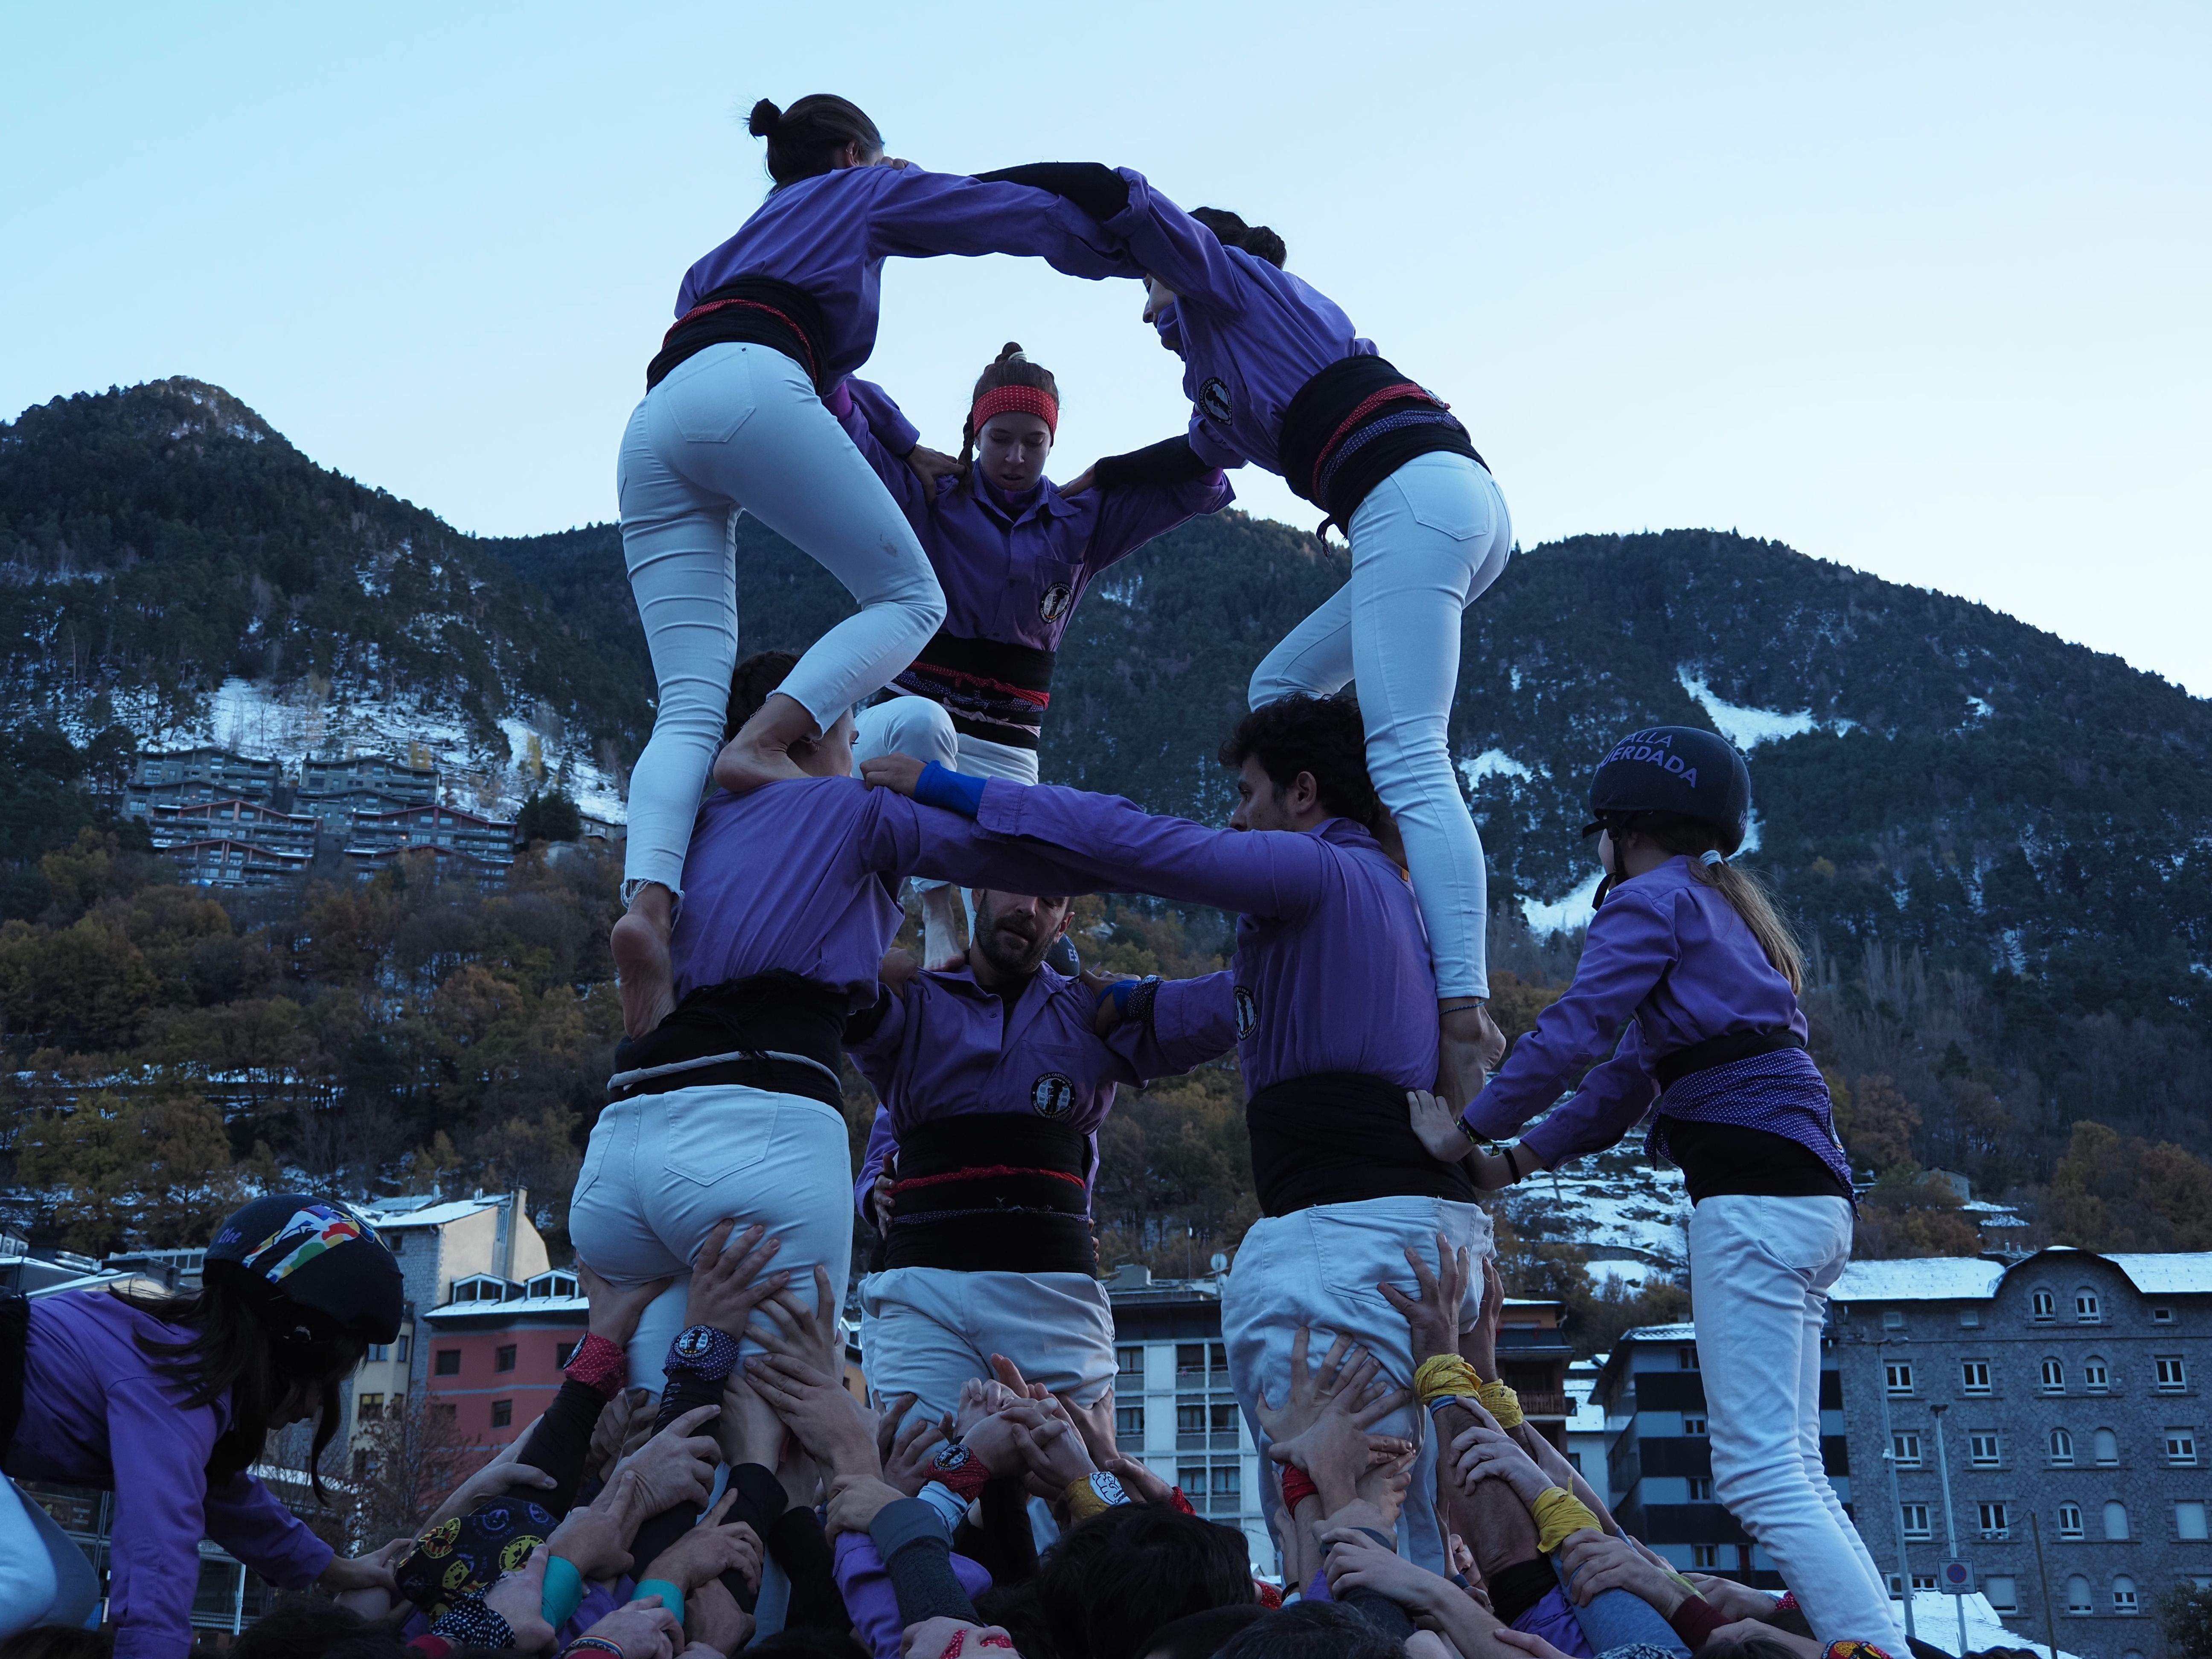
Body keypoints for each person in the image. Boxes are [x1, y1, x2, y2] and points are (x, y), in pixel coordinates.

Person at [860, 692, 1487, 1570]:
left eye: (1247, 793)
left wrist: (951, 795)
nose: (1236, 816)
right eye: (1014, 885)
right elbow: (849, 1015)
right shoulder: (923, 1004)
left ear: (1303, 795)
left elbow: (1136, 850)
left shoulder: (1299, 889)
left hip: (1316, 1237)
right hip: (1370, 1225)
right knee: (1364, 1513)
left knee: (1329, 1516)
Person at [971, 161, 1515, 1108]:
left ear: (1182, 263)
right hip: (1433, 501)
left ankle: (1464, 1014)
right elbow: (1183, 458)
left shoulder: (1231, 287)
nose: (1148, 312)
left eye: (1151, 288)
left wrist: (930, 189)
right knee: (1281, 693)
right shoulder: (1221, 383)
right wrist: (1075, 484)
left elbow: (1114, 194)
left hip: (1411, 494)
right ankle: (1365, 848)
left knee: (1410, 749)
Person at [610, 92, 1141, 1037]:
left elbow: (826, 376)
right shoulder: (862, 190)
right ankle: (767, 744)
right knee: (908, 596)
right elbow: (992, 211)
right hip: (754, 383)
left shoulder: (719, 257)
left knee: (686, 698)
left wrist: (901, 436)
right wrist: (1117, 234)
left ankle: (649, 908)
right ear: (856, 151)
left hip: (655, 419)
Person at [1419, 725, 1902, 1651]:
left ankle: (1870, 1650)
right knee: (1793, 1465)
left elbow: (1578, 1033)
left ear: (1623, 828)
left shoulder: (1650, 901)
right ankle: (1872, 1636)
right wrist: (1511, 1164)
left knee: (1761, 1477)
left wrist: (1465, 1127)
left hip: (1754, 1203)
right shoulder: (1724, 918)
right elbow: (1625, 1081)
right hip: (1810, 1202)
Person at [572, 652, 1142, 1396]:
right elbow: (975, 795)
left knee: (648, 1415)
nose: (856, 752)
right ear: (804, 738)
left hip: (631, 1122)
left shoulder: (694, 821)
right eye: (846, 733)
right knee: (776, 1406)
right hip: (757, 1114)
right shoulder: (853, 814)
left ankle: (622, 1465)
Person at [830, 342, 1232, 966]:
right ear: (976, 432)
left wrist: (1114, 470)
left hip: (1006, 750)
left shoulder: (1079, 520)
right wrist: (907, 444)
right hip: (900, 731)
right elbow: (836, 388)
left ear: (1052, 443)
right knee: (923, 721)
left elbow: (1208, 469)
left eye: (1034, 441)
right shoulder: (931, 494)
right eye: (999, 439)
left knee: (1026, 931)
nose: (1016, 457)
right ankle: (934, 912)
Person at [847, 884, 1237, 1423]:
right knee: (921, 1476)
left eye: (1049, 900)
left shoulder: (1090, 1010)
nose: (1028, 908)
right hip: (922, 1294)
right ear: (977, 891)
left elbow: (1221, 1012)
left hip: (1054, 1295)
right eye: (1013, 885)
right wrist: (877, 959)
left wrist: (1136, 997)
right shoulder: (916, 998)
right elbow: (815, 979)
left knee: (1074, 1486)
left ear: (1065, 923)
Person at [0, 1196, 406, 1657]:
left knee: (66, 1591)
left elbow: (224, 1495)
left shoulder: (180, 1369)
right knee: (27, 1583)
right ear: (289, 1349)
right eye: (323, 1384)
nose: (314, 1410)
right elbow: (158, 1538)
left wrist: (331, 1568)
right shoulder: (170, 1389)